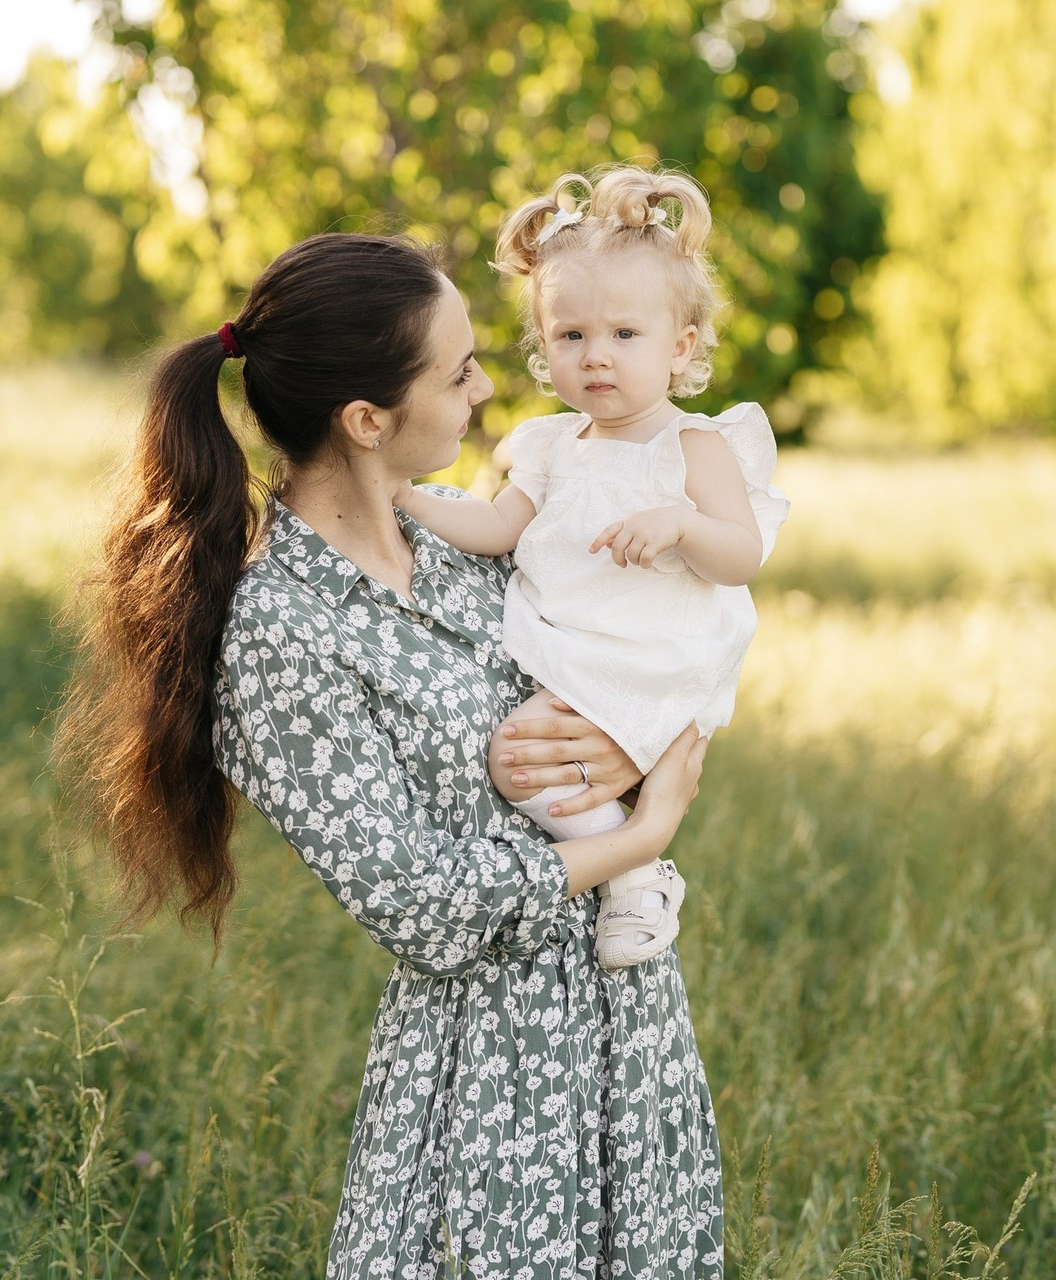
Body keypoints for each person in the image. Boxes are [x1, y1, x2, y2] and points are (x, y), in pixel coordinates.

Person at [59, 231, 722, 1277]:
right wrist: (647, 829)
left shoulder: (463, 549)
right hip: (491, 1083)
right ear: (367, 420)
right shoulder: (284, 632)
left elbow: (653, 638)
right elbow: (421, 904)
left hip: (627, 1023)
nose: (484, 386)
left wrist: (627, 747)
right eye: (457, 371)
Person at [395, 166, 790, 970]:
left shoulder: (694, 445)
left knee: (520, 754)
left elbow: (742, 555)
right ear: (544, 347)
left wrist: (682, 522)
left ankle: (635, 872)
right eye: (571, 337)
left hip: (654, 654)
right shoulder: (546, 446)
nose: (596, 358)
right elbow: (498, 525)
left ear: (680, 348)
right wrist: (406, 497)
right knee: (519, 762)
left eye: (624, 336)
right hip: (573, 651)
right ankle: (632, 858)